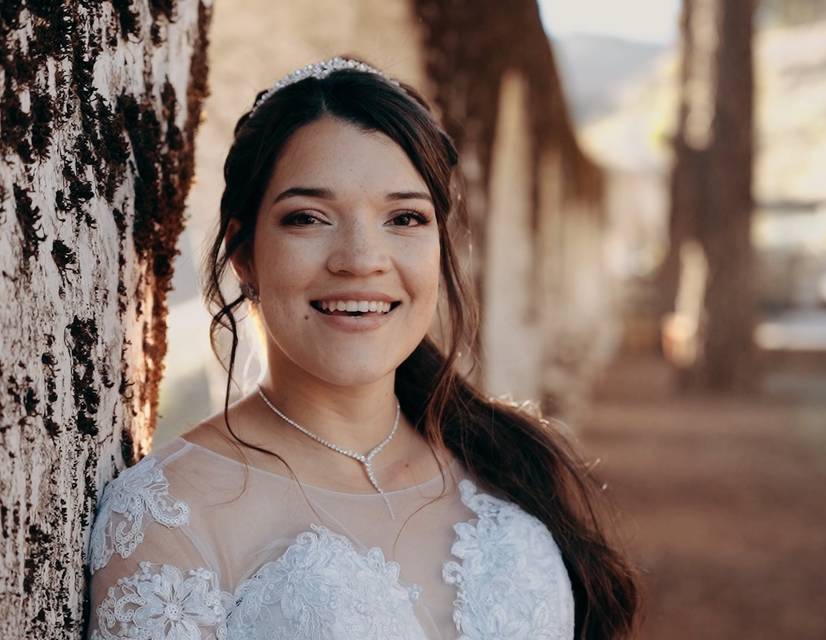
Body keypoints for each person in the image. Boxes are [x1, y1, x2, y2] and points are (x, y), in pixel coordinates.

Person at [85, 56, 642, 639]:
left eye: (404, 218)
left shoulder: (510, 461)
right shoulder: (170, 515)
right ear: (244, 252)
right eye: (308, 218)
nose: (360, 259)